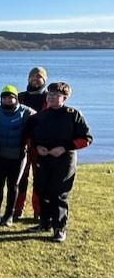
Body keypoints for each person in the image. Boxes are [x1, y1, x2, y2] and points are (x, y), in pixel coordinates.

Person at [24, 82, 92, 242]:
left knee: (58, 193)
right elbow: (28, 137)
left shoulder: (73, 115)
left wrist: (64, 148)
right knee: (42, 190)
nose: (51, 97)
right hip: (43, 157)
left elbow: (86, 139)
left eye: (55, 95)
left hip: (64, 159)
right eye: (49, 94)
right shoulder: (39, 116)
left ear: (64, 97)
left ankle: (59, 228)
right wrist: (36, 146)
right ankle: (44, 222)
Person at [0, 85, 36, 226]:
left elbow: (41, 119)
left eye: (12, 97)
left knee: (13, 186)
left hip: (18, 156)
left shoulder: (27, 112)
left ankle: (9, 215)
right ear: (1, 99)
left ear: (16, 99)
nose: (9, 100)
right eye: (5, 97)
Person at [15, 66, 49, 219]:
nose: (35, 79)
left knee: (40, 179)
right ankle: (17, 209)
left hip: (40, 144)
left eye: (39, 77)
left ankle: (38, 210)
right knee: (21, 177)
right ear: (28, 79)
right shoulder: (20, 97)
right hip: (21, 143)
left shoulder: (49, 98)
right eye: (32, 77)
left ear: (44, 80)